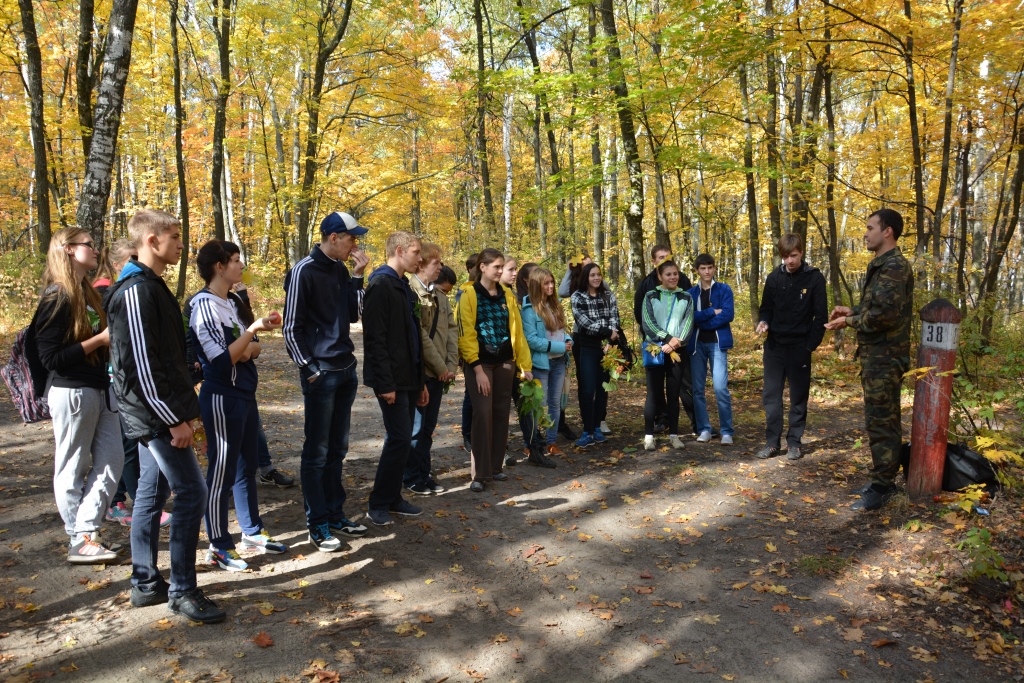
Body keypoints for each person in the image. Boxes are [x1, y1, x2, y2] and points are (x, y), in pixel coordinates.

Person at [104, 209, 224, 623]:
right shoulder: (137, 291)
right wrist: (173, 419)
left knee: (152, 496)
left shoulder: (152, 287)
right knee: (192, 492)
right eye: (173, 237)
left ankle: (144, 584)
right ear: (151, 241)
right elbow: (140, 366)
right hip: (156, 415)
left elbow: (166, 360)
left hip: (161, 411)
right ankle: (182, 590)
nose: (180, 244)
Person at [189, 240, 287, 571]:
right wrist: (252, 332)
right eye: (234, 260)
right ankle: (217, 544)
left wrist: (246, 341)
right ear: (219, 266)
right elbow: (220, 360)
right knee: (222, 471)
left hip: (244, 393)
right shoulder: (202, 305)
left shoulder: (230, 301)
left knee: (247, 465)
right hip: (221, 397)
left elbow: (252, 350)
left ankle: (252, 532)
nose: (240, 265)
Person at [35, 227, 124, 564]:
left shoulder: (89, 293)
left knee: (112, 460)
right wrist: (99, 341)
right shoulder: (57, 295)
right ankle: (80, 538)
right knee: (73, 466)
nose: (95, 249)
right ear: (68, 249)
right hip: (71, 390)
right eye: (89, 244)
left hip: (101, 388)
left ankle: (87, 530)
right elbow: (50, 358)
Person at [283, 211, 370, 551]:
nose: (355, 245)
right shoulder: (303, 270)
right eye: (352, 238)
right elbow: (291, 328)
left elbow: (353, 315)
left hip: (346, 369)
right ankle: (316, 523)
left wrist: (358, 277)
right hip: (321, 373)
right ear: (334, 237)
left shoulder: (339, 269)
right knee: (316, 452)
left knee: (338, 449)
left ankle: (335, 514)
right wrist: (309, 369)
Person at [825, 209, 913, 511]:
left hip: (886, 359)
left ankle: (883, 487)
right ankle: (882, 479)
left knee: (883, 424)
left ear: (887, 231)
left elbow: (885, 316)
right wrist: (852, 312)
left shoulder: (895, 267)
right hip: (877, 358)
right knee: (878, 422)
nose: (865, 233)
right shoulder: (882, 266)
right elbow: (874, 309)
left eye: (870, 227)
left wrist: (848, 324)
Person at [95, 240, 175, 529]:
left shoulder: (134, 288)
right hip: (117, 379)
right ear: (120, 264)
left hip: (120, 378)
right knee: (128, 444)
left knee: (130, 444)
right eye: (132, 258)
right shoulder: (112, 291)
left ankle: (127, 500)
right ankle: (123, 501)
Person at [363, 232, 430, 525]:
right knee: (400, 439)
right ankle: (378, 502)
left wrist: (420, 382)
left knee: (402, 441)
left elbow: (412, 339)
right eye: (416, 253)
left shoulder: (403, 285)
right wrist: (385, 383)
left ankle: (392, 498)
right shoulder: (380, 284)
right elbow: (375, 339)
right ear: (400, 251)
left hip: (408, 377)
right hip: (391, 379)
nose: (420, 258)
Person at [457, 248, 533, 492]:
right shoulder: (469, 294)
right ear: (483, 267)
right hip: (480, 363)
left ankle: (496, 467)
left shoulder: (507, 295)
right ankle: (480, 474)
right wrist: (476, 368)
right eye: (497, 267)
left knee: (501, 413)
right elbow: (465, 333)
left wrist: (524, 365)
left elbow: (517, 333)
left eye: (503, 267)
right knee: (482, 413)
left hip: (505, 362)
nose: (501, 271)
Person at [755, 233, 827, 461]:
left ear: (801, 253)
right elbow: (765, 308)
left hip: (800, 347)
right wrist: (763, 321)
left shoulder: (814, 278)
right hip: (775, 346)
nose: (790, 261)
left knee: (798, 396)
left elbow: (821, 316)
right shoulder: (774, 278)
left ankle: (794, 442)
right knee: (771, 397)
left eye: (793, 255)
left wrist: (810, 346)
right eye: (785, 257)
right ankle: (771, 442)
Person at [405, 242, 458, 495]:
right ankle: (411, 476)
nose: (441, 267)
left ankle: (424, 473)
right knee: (415, 429)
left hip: (440, 373)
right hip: (421, 373)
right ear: (422, 264)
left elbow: (451, 332)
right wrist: (439, 366)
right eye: (436, 263)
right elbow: (420, 336)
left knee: (428, 428)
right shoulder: (411, 293)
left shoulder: (441, 297)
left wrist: (450, 366)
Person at [634, 244, 695, 435]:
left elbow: (688, 313)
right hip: (655, 344)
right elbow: (641, 314)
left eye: (667, 256)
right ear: (654, 261)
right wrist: (662, 338)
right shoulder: (647, 285)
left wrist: (677, 341)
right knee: (656, 389)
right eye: (660, 257)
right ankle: (661, 420)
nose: (665, 260)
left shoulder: (682, 279)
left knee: (684, 386)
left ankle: (695, 422)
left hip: (679, 344)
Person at [520, 267, 569, 466]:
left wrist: (568, 340)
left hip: (559, 361)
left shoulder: (555, 305)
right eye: (545, 283)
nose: (550, 287)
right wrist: (560, 346)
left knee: (555, 404)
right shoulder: (529, 310)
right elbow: (531, 340)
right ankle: (532, 443)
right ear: (536, 286)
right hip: (541, 363)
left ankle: (551, 441)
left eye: (551, 283)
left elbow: (561, 331)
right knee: (537, 406)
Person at [570, 263, 621, 448]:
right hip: (588, 347)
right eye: (592, 275)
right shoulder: (578, 296)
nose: (596, 278)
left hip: (607, 348)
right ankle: (587, 430)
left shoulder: (608, 296)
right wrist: (606, 331)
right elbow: (583, 322)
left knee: (602, 388)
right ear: (586, 277)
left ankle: (598, 428)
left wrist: (609, 338)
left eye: (599, 274)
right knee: (587, 389)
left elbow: (615, 319)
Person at [688, 254, 734, 445]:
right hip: (696, 345)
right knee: (698, 389)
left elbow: (727, 315)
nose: (707, 272)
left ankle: (726, 431)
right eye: (703, 268)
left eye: (710, 268)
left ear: (714, 268)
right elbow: (690, 317)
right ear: (697, 271)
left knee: (720, 387)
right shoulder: (691, 293)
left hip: (717, 344)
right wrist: (709, 313)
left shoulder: (724, 289)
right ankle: (704, 429)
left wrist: (702, 322)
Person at [457, 253, 480, 455]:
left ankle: (481, 434)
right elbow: (462, 326)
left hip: (488, 355)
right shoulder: (464, 292)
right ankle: (468, 435)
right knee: (471, 395)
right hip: (471, 354)